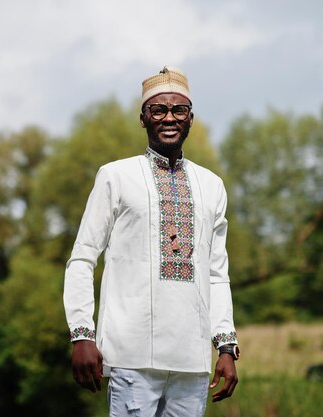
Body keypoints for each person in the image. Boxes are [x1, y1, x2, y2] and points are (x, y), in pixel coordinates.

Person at [63, 66, 239, 417]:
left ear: (191, 118)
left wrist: (225, 345)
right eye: (158, 110)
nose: (169, 118)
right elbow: (83, 259)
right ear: (143, 118)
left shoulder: (211, 186)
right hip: (130, 355)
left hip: (191, 360)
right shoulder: (116, 176)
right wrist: (82, 333)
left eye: (178, 110)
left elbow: (217, 274)